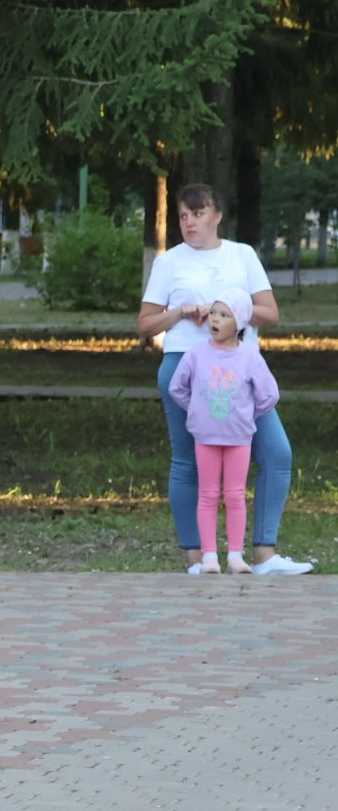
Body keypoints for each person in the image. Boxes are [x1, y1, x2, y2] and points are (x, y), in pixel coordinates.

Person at [138, 184, 311, 575]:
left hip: (241, 370)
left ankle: (264, 555)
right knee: (189, 463)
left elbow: (270, 313)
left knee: (277, 453)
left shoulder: (242, 255)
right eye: (183, 216)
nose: (189, 222)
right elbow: (146, 325)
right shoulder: (170, 263)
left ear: (217, 215)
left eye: (197, 214)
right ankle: (198, 559)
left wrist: (230, 308)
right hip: (187, 367)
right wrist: (181, 311)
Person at [166, 288, 279, 575]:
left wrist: (245, 414)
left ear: (239, 322)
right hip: (205, 436)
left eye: (224, 314)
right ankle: (209, 557)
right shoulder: (196, 354)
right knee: (207, 494)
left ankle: (236, 556)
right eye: (213, 313)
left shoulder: (250, 357)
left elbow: (269, 395)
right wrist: (196, 409)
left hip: (239, 438)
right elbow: (176, 387)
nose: (215, 319)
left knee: (235, 494)